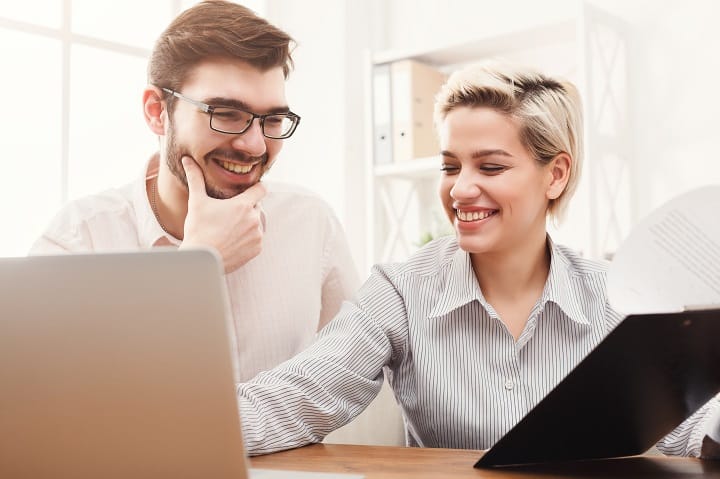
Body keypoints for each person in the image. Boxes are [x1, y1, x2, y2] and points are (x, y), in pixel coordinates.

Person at [236, 61, 720, 456]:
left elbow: (692, 430)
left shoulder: (619, 299)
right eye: (450, 166)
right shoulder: (400, 292)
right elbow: (298, 395)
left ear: (555, 175)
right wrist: (175, 429)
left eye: (490, 166)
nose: (461, 188)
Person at [29, 0, 359, 380]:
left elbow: (352, 373)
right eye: (225, 114)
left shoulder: (310, 222)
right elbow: (51, 395)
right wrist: (197, 265)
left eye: (273, 119)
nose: (254, 146)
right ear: (157, 112)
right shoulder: (79, 240)